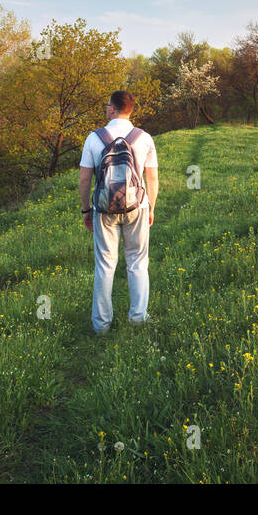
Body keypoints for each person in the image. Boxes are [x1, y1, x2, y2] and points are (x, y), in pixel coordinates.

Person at [78, 90, 159, 333]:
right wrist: (151, 208)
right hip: (138, 207)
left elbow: (84, 179)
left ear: (112, 109)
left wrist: (86, 210)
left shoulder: (94, 138)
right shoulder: (144, 138)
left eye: (107, 106)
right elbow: (152, 178)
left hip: (103, 209)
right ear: (130, 109)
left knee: (105, 264)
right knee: (137, 262)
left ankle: (101, 326)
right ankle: (138, 318)